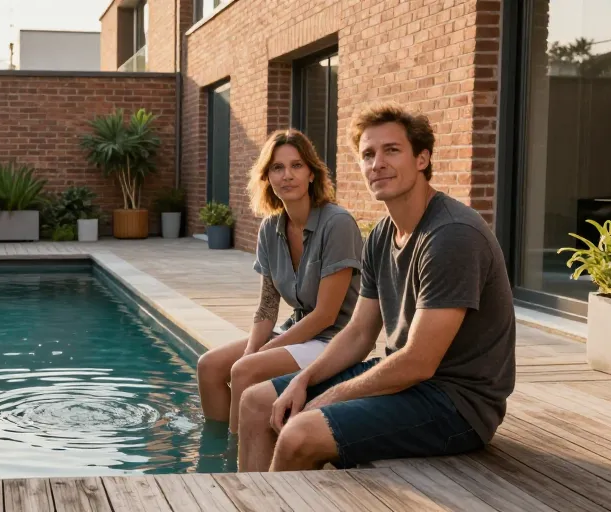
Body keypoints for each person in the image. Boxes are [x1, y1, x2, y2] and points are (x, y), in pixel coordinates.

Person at [236, 102, 517, 472]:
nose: (377, 163)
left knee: (299, 433)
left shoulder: (451, 236)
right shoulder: (382, 235)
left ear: (422, 158)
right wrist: (304, 380)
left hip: (457, 404)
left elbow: (419, 361)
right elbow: (357, 333)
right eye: (368, 154)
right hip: (406, 381)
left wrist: (329, 398)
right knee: (256, 401)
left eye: (392, 150)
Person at [196, 129, 364, 435]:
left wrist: (261, 354)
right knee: (209, 366)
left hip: (333, 340)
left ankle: (237, 463)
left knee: (245, 370)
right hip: (295, 331)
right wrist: (252, 349)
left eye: (296, 165)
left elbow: (326, 315)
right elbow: (267, 307)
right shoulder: (270, 228)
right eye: (277, 167)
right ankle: (216, 451)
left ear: (312, 173)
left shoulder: (337, 223)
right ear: (268, 178)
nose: (287, 175)